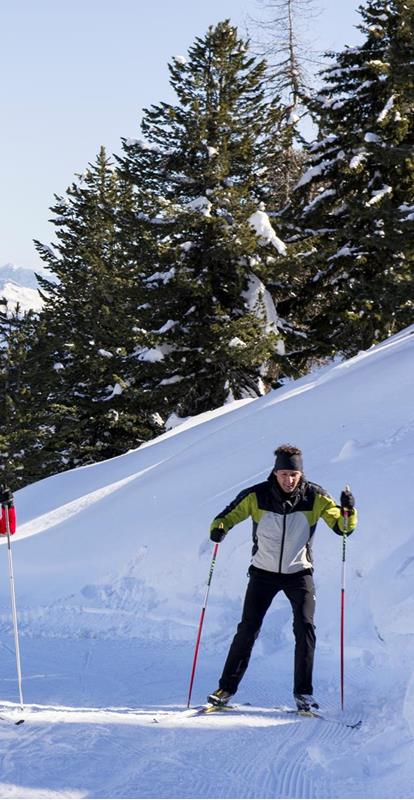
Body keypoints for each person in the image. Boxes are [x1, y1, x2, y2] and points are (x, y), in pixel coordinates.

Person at [207, 444, 357, 712]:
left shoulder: (316, 497)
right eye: (284, 474)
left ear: (301, 474)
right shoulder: (256, 496)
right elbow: (225, 517)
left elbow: (342, 528)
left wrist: (348, 511)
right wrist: (219, 529)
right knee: (248, 629)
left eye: (294, 475)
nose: (289, 480)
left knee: (305, 627)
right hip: (262, 573)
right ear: (275, 472)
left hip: (298, 573)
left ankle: (303, 694)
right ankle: (225, 689)